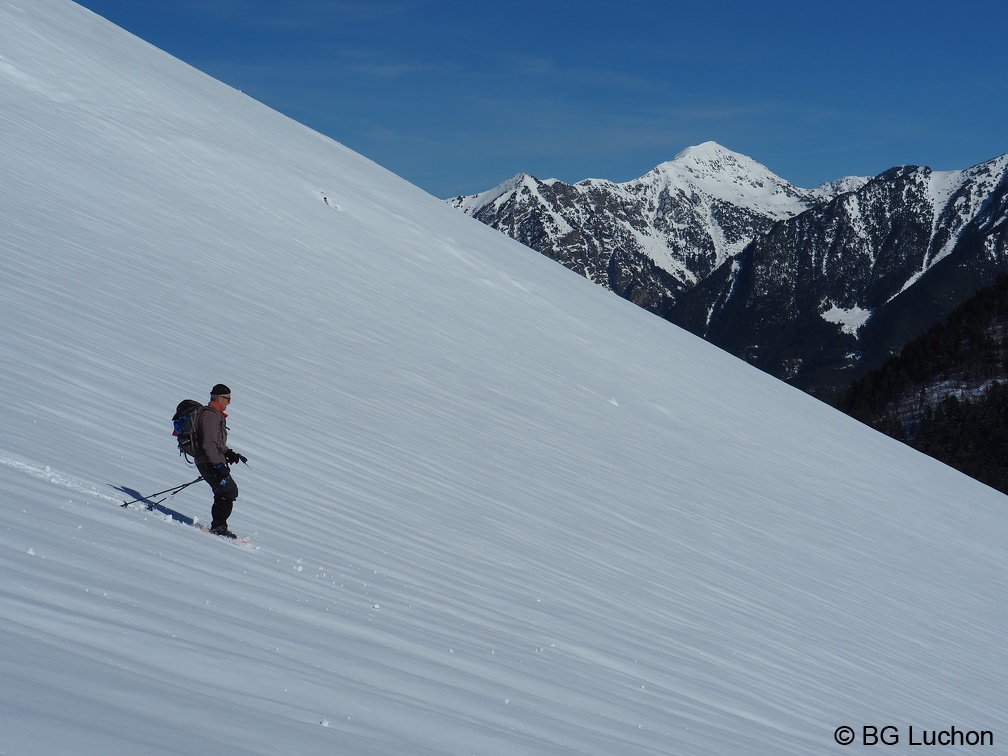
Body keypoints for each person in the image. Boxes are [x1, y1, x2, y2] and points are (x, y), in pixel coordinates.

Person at [194, 383, 244, 538]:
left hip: (210, 460)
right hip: (209, 461)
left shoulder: (216, 415)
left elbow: (216, 443)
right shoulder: (211, 415)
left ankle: (219, 526)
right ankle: (218, 527)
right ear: (219, 398)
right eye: (228, 399)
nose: (229, 402)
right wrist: (219, 465)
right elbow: (208, 444)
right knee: (229, 490)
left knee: (224, 491)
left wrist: (229, 453)